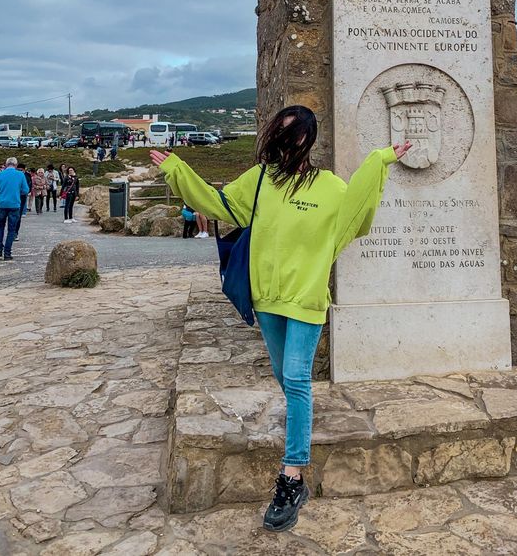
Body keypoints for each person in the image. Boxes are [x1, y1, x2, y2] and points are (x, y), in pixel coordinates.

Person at [151, 105, 411, 532]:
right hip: (267, 298)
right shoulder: (258, 181)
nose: (283, 141)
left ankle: (292, 477)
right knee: (283, 376)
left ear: (306, 140)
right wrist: (178, 169)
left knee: (295, 378)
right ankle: (298, 431)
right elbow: (217, 204)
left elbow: (357, 215)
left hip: (306, 299)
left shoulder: (328, 186)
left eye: (292, 135)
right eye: (280, 132)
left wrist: (380, 160)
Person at [0, 156, 30, 260]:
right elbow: (26, 190)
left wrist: (2, 196)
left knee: (0, 227)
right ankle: (7, 253)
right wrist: (17, 193)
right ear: (16, 165)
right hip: (14, 204)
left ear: (6, 163)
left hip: (2, 205)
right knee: (11, 229)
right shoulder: (20, 175)